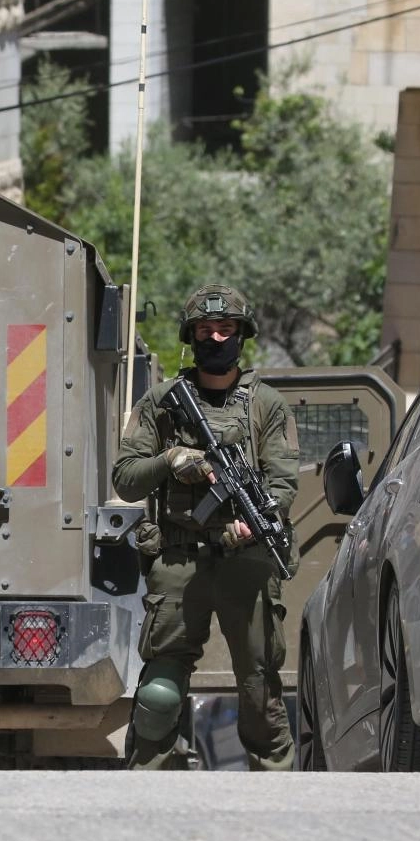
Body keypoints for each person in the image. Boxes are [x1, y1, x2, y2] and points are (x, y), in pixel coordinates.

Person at [112, 284, 300, 771]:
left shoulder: (267, 405)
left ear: (242, 335)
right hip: (179, 559)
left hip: (248, 561)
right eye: (205, 330)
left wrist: (254, 527)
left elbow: (282, 485)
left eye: (226, 329)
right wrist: (170, 459)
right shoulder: (161, 402)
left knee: (260, 689)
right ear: (190, 336)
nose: (216, 338)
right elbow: (126, 479)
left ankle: (277, 787)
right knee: (159, 692)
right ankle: (151, 786)